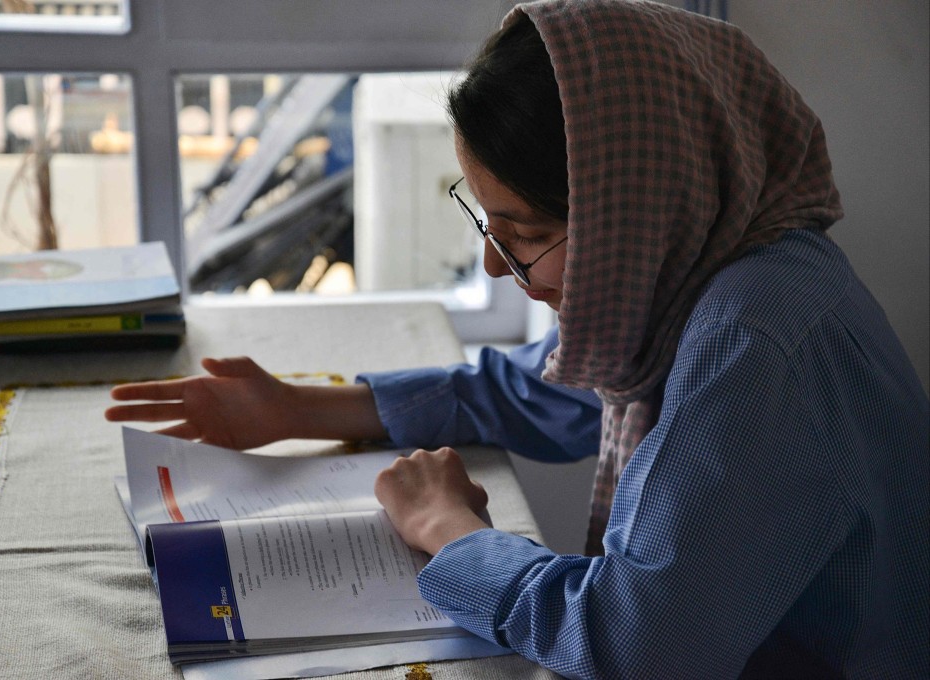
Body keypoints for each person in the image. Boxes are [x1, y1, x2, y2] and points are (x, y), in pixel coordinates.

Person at [105, 0, 930, 677]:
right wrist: (293, 409)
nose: (498, 268)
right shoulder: (707, 266)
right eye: (486, 222)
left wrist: (450, 531)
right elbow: (557, 392)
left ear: (636, 213)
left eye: (523, 232)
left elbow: (632, 646)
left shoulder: (753, 340)